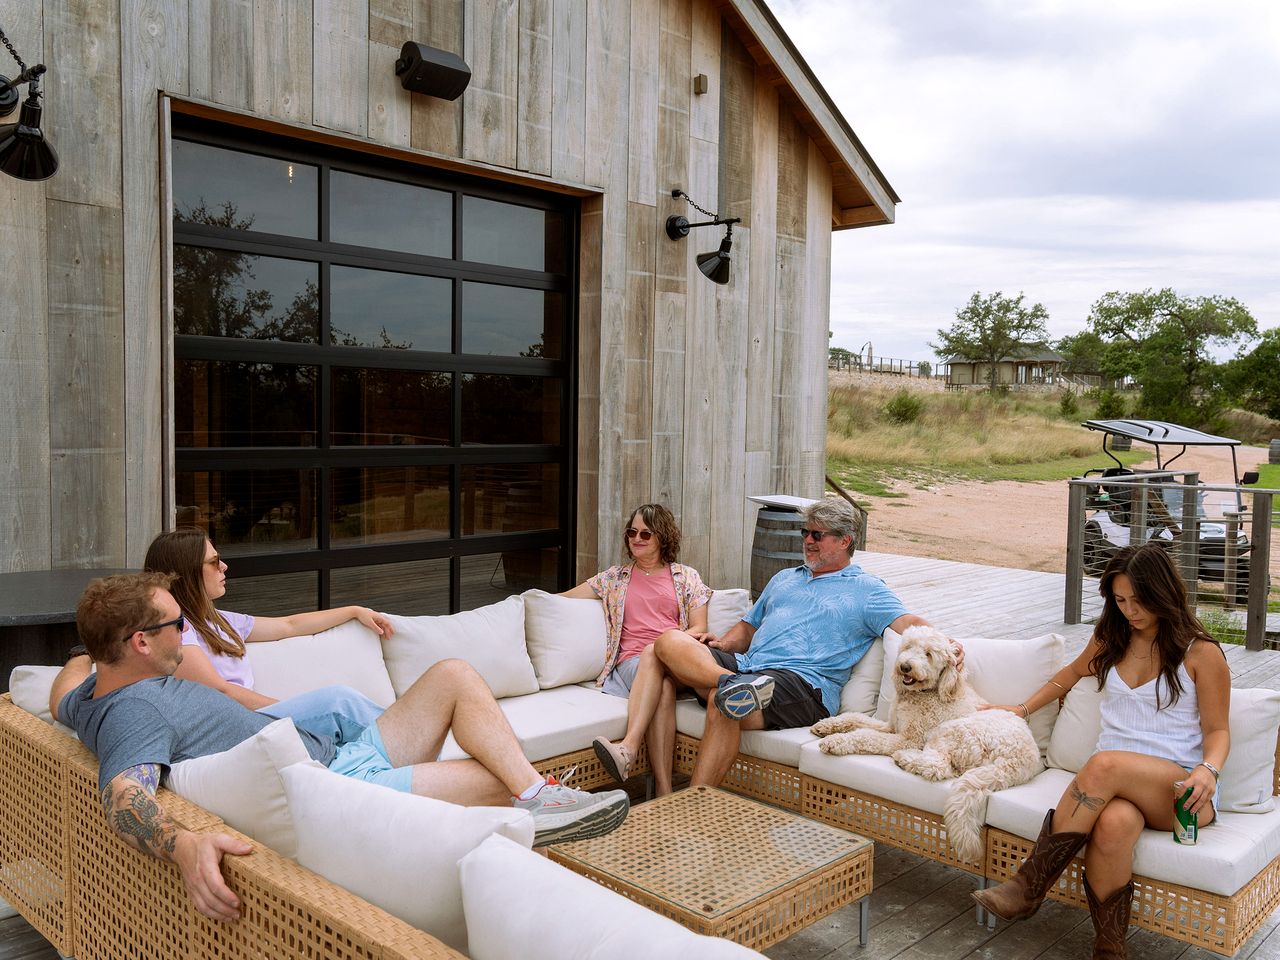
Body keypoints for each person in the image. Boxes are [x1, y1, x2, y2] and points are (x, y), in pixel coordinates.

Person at [49, 573, 630, 922]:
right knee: (494, 775)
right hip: (340, 788)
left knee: (453, 674)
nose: (188, 630)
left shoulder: (93, 690)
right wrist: (181, 845)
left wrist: (86, 650)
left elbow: (63, 687)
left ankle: (535, 797)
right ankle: (527, 816)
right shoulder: (137, 711)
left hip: (337, 757)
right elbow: (125, 796)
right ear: (142, 642)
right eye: (178, 624)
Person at [971, 543, 1230, 960]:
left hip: (1181, 792)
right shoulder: (1112, 637)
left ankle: (1027, 887)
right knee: (1112, 825)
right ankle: (1110, 949)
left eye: (1139, 600)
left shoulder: (1201, 653)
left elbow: (1218, 730)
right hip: (1113, 789)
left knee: (1104, 763)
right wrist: (1021, 709)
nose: (1130, 610)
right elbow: (1070, 674)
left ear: (1164, 592)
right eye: (1121, 600)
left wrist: (1209, 769)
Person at [648, 496, 929, 789]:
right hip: (747, 668)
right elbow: (748, 627)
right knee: (669, 641)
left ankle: (691, 806)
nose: (808, 540)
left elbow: (908, 621)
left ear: (845, 540)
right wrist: (722, 645)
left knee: (726, 704)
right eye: (804, 532)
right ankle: (732, 682)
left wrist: (947, 645)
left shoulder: (867, 589)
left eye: (817, 534)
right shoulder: (784, 578)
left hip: (804, 683)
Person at [144, 528, 387, 735]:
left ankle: (404, 739)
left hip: (252, 718)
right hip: (236, 724)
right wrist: (289, 711)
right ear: (188, 572)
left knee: (341, 707)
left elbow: (289, 625)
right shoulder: (179, 632)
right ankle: (404, 735)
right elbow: (220, 692)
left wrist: (354, 611)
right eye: (214, 561)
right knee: (338, 703)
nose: (225, 566)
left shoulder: (220, 621)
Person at [560, 504, 711, 795]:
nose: (636, 538)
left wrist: (670, 644)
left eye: (645, 533)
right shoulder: (614, 578)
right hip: (631, 666)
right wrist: (524, 602)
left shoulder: (686, 577)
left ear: (662, 538)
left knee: (656, 651)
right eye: (632, 532)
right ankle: (665, 793)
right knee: (662, 685)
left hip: (675, 659)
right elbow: (562, 599)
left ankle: (628, 748)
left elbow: (699, 629)